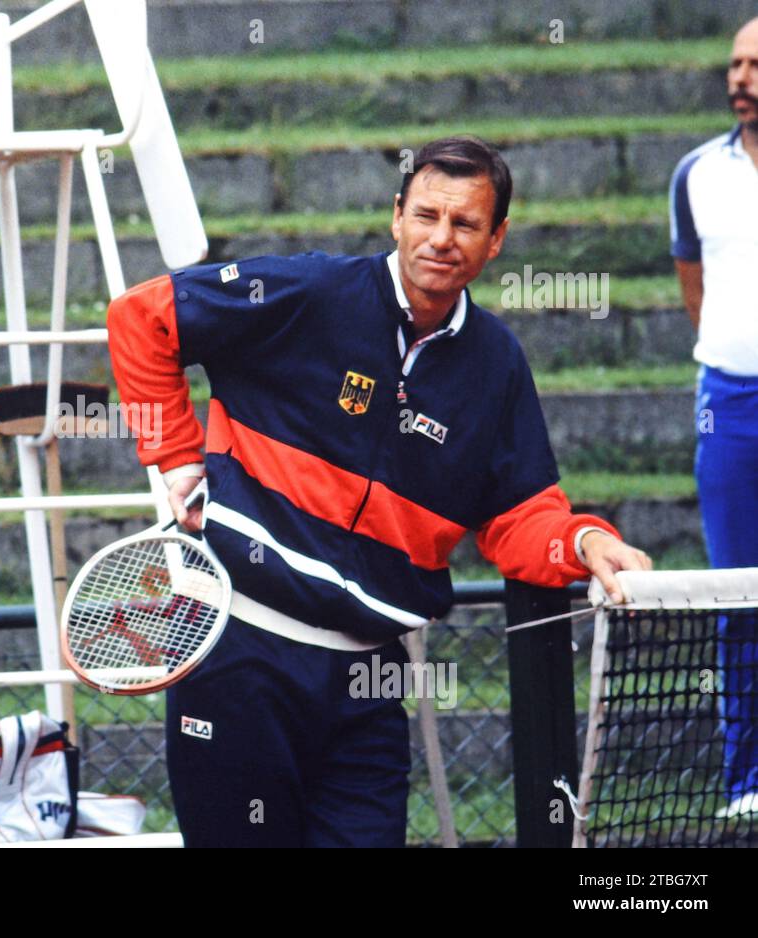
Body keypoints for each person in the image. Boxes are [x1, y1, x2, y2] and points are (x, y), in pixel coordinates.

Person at [106, 136, 653, 847]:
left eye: (465, 224)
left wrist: (585, 541)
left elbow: (520, 517)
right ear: (397, 216)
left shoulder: (497, 364)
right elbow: (141, 318)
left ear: (497, 241)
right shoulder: (306, 293)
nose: (441, 238)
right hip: (240, 658)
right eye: (427, 215)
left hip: (371, 681)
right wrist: (177, 461)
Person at [669, 17, 758, 819]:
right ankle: (746, 781)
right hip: (727, 400)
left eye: (756, 64)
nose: (741, 76)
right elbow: (692, 281)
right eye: (734, 62)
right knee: (739, 590)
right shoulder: (695, 172)